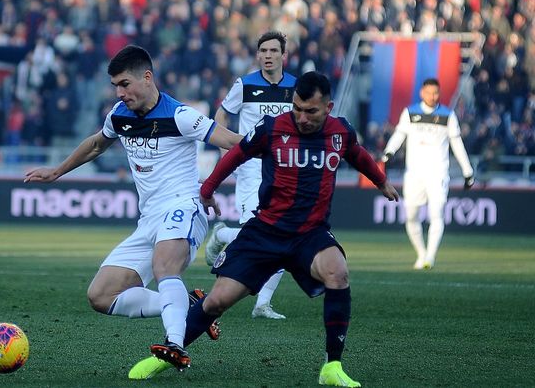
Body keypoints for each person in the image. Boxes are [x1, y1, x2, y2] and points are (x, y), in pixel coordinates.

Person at [133, 71, 399, 387]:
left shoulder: (341, 133)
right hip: (264, 233)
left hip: (309, 234)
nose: (301, 117)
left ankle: (332, 367)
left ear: (328, 107)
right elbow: (236, 154)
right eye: (297, 108)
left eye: (310, 111)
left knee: (338, 272)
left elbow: (357, 156)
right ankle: (166, 352)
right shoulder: (273, 127)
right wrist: (208, 190)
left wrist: (381, 181)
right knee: (217, 301)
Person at [24, 45, 242, 368]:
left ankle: (176, 343)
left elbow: (232, 142)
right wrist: (57, 171)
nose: (119, 92)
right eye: (115, 86)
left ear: (147, 77)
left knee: (164, 266)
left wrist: (274, 148)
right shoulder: (120, 116)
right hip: (149, 219)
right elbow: (97, 144)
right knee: (100, 295)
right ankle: (189, 307)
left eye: (124, 84)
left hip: (184, 206)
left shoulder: (180, 116)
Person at [204, 31, 297, 320]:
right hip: (252, 166)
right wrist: (226, 150)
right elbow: (222, 116)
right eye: (263, 51)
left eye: (273, 51)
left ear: (284, 55)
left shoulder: (296, 87)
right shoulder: (244, 85)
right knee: (257, 229)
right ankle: (222, 234)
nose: (268, 55)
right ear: (258, 55)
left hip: (284, 168)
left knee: (283, 233)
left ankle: (262, 304)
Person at [381, 78, 474, 270]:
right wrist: (388, 153)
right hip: (414, 173)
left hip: (438, 173)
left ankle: (430, 257)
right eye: (429, 92)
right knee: (412, 217)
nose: (433, 96)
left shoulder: (448, 116)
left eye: (436, 93)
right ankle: (421, 254)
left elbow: (457, 144)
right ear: (422, 93)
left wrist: (468, 171)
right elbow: (399, 134)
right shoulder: (410, 112)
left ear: (439, 94)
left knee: (436, 214)